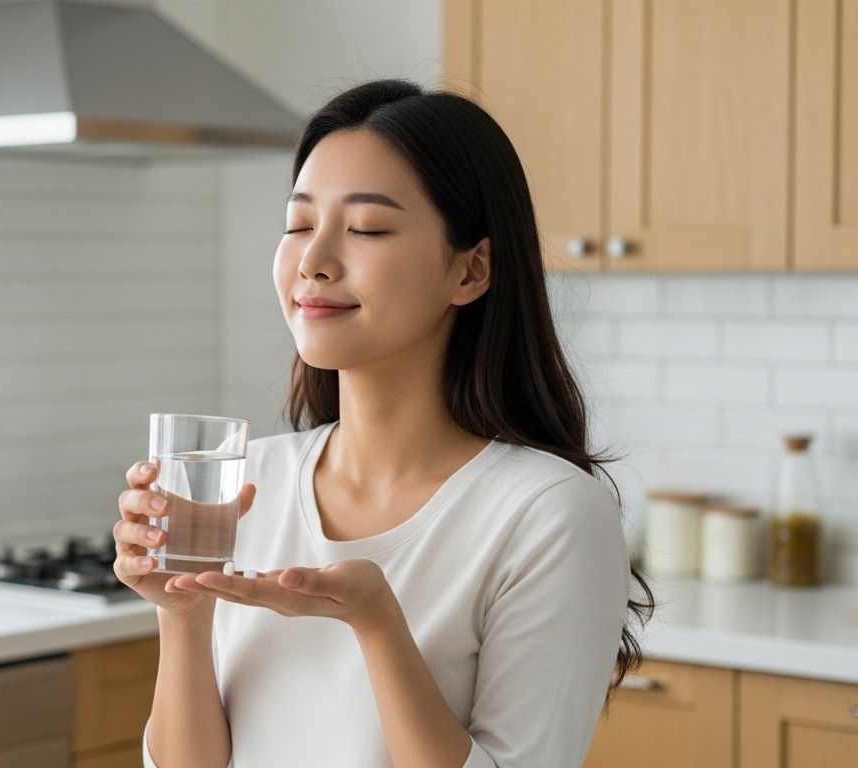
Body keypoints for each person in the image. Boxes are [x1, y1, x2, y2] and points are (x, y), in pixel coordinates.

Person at [112, 79, 651, 768]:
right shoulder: (250, 483)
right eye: (299, 225)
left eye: (365, 228)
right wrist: (181, 612)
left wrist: (376, 622)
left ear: (471, 270)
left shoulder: (547, 513)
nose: (313, 261)